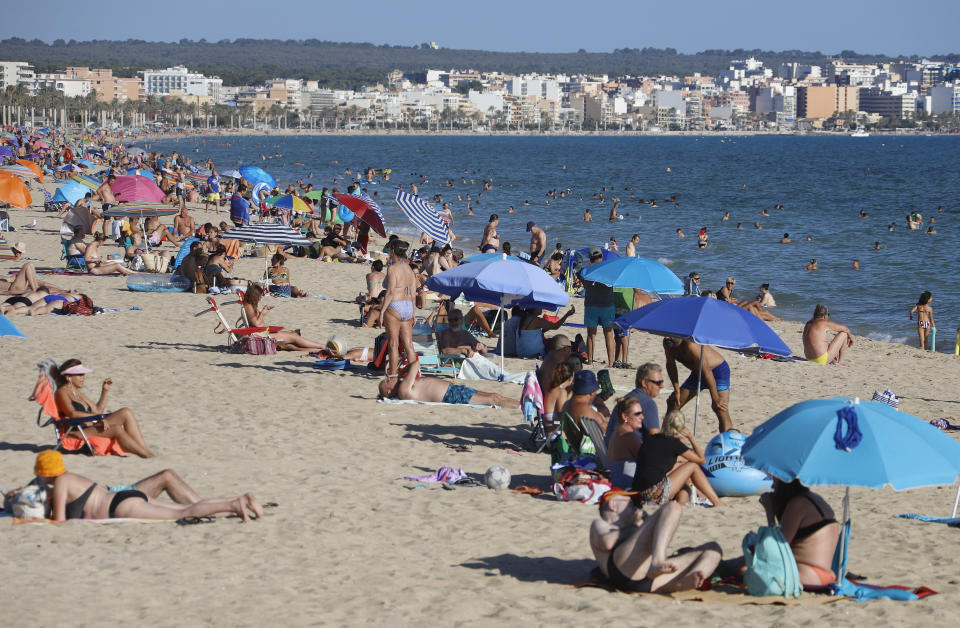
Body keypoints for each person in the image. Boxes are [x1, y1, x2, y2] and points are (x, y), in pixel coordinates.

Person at [33, 450, 262, 523]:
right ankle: (239, 502)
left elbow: (61, 522)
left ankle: (235, 503)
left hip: (121, 507)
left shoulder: (61, 483)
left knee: (183, 512)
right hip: (124, 496)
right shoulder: (70, 478)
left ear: (43, 474)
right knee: (180, 510)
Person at [589, 492, 722, 593]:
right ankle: (657, 561)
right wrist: (637, 525)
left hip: (647, 578)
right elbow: (608, 543)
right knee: (673, 506)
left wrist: (641, 525)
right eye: (631, 504)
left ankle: (689, 579)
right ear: (613, 505)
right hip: (621, 569)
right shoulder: (600, 524)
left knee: (713, 548)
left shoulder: (633, 527)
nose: (635, 508)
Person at [727, 479, 838, 587]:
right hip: (827, 574)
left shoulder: (797, 504)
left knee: (742, 569)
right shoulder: (815, 498)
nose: (772, 486)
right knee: (741, 560)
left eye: (774, 482)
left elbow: (776, 548)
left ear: (783, 484)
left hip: (807, 575)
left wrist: (770, 513)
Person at [52, 359, 156, 458]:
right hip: (75, 432)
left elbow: (97, 410)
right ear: (68, 377)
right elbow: (72, 413)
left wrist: (105, 391)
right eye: (80, 375)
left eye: (83, 374)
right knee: (116, 429)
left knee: (126, 412)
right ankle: (146, 455)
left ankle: (145, 450)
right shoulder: (62, 392)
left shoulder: (76, 392)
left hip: (88, 428)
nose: (83, 377)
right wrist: (97, 417)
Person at [631, 409, 723, 507]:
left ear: (665, 423)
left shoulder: (651, 439)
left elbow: (656, 466)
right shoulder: (675, 443)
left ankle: (681, 504)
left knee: (684, 482)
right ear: (681, 427)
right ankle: (717, 502)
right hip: (653, 493)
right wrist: (691, 438)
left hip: (638, 492)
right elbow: (702, 461)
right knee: (693, 466)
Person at [378, 358, 519, 407]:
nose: (389, 378)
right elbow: (415, 364)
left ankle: (521, 404)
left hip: (453, 390)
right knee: (494, 399)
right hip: (451, 396)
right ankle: (523, 406)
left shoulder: (404, 385)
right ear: (389, 392)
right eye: (387, 381)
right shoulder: (403, 390)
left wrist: (400, 375)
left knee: (495, 396)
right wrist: (400, 373)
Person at [663, 337, 732, 433]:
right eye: (666, 334)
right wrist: (677, 390)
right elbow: (671, 365)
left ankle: (728, 442)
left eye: (670, 335)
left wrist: (715, 398)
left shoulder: (692, 346)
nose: (667, 338)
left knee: (720, 409)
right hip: (697, 373)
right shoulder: (668, 344)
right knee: (673, 403)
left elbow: (707, 372)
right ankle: (664, 440)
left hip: (717, 372)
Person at [242, 284, 326, 351]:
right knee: (294, 336)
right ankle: (321, 346)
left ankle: (316, 350)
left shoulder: (249, 305)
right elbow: (256, 324)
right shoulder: (249, 307)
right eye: (259, 296)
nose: (260, 298)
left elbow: (255, 322)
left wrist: (262, 311)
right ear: (255, 295)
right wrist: (262, 314)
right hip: (262, 336)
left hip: (264, 333)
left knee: (290, 345)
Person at [380, 240, 418, 377]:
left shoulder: (392, 268)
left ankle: (393, 374)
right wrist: (413, 312)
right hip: (408, 306)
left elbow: (389, 292)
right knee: (409, 344)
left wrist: (382, 312)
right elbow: (414, 293)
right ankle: (414, 375)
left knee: (393, 343)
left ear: (392, 251)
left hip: (395, 305)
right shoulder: (409, 269)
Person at [581, 248, 615, 366]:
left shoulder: (586, 271)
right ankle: (611, 362)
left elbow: (585, 286)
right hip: (607, 305)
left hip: (591, 305)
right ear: (601, 257)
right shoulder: (610, 270)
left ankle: (590, 361)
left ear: (590, 259)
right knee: (609, 334)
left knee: (591, 334)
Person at [562, 370, 610, 437]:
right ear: (592, 393)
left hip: (574, 443)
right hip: (592, 445)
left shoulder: (567, 404)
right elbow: (604, 428)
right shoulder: (585, 410)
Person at [542, 362, 574, 435]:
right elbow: (563, 415)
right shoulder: (561, 392)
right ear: (570, 378)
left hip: (548, 430)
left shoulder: (552, 389)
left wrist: (570, 394)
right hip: (555, 434)